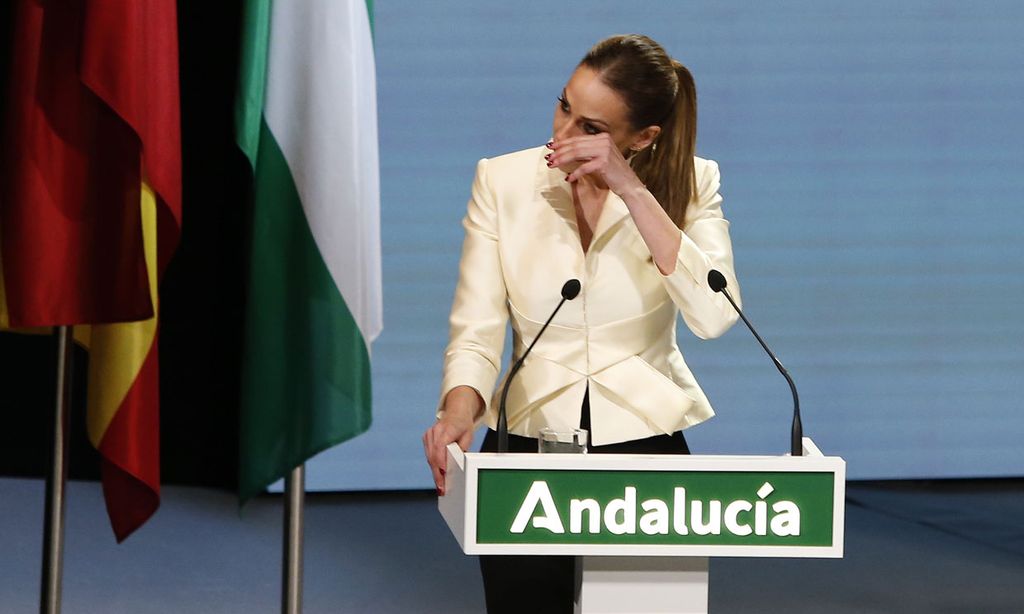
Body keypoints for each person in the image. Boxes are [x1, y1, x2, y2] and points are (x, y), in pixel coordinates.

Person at [422, 34, 741, 614]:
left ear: (642, 138)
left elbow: (715, 315)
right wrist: (458, 408)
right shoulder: (503, 181)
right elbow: (476, 326)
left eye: (592, 128)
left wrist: (632, 190)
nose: (565, 134)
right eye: (564, 105)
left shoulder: (692, 183)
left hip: (644, 444)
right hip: (526, 443)